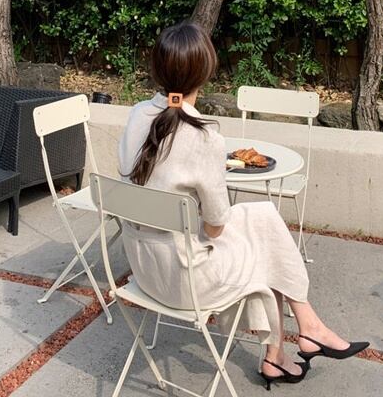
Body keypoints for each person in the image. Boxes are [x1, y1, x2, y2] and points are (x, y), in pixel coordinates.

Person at [118, 21, 368, 390]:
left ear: (156, 69)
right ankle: (297, 338)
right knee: (265, 246)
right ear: (206, 72)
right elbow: (215, 226)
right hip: (184, 282)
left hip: (144, 268)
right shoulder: (204, 136)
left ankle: (295, 339)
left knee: (262, 217)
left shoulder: (137, 113)